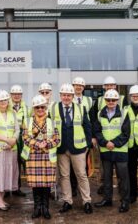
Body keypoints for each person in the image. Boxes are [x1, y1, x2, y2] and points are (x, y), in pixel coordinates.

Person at [50, 83, 93, 214]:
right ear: (60, 96)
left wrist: (87, 146)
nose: (66, 97)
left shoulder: (81, 108)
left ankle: (87, 201)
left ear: (73, 96)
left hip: (78, 148)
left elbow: (87, 127)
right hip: (61, 149)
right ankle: (67, 201)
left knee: (81, 175)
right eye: (64, 95)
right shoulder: (53, 108)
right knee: (64, 176)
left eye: (69, 95)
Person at [21, 95, 60, 219]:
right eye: (37, 107)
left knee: (46, 184)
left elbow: (57, 139)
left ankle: (46, 208)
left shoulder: (52, 121)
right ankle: (37, 208)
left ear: (46, 107)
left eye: (42, 107)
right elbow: (25, 138)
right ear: (34, 108)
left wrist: (47, 144)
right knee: (36, 184)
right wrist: (37, 144)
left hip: (48, 156)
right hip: (33, 156)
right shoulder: (27, 121)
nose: (40, 109)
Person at [89, 76, 128, 195]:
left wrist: (114, 142)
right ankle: (106, 195)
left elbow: (126, 128)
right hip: (105, 145)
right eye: (108, 85)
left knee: (122, 175)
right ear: (104, 87)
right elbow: (95, 122)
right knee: (106, 173)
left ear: (115, 86)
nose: (111, 102)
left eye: (112, 85)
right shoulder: (99, 102)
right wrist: (102, 141)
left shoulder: (123, 101)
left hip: (120, 147)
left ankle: (124, 198)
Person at [93, 89, 130, 213]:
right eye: (108, 100)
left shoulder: (124, 113)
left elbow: (126, 133)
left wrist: (113, 143)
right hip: (106, 150)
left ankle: (125, 202)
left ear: (117, 100)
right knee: (107, 178)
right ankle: (107, 200)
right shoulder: (99, 114)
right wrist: (105, 143)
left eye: (113, 100)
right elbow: (97, 131)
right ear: (105, 100)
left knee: (122, 178)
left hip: (120, 151)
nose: (111, 102)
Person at [0, 90, 20, 211]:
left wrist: (13, 141)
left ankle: (1, 198)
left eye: (5, 100)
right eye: (0, 100)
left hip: (11, 150)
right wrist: (8, 140)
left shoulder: (12, 113)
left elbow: (17, 130)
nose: (3, 102)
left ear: (8, 101)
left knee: (6, 173)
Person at [72, 76, 93, 196]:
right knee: (72, 164)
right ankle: (73, 187)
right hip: (74, 134)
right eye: (76, 85)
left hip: (85, 134)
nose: (78, 87)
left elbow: (92, 118)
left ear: (83, 87)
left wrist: (91, 138)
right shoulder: (69, 98)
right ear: (73, 87)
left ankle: (83, 188)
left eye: (80, 86)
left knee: (83, 164)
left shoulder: (89, 100)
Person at [9, 85, 29, 197]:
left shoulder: (26, 108)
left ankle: (17, 188)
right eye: (14, 94)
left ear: (21, 95)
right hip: (11, 138)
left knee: (21, 163)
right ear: (11, 95)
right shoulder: (7, 107)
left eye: (19, 94)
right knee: (11, 163)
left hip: (23, 138)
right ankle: (8, 189)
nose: (16, 96)